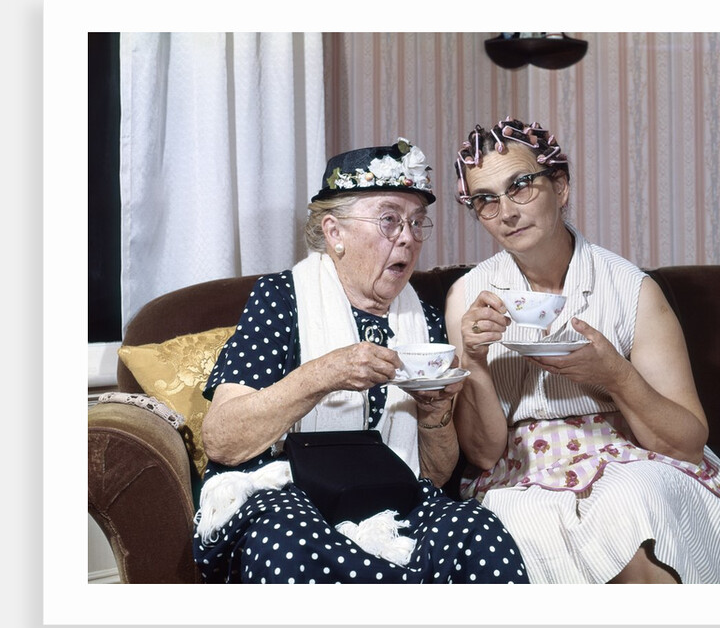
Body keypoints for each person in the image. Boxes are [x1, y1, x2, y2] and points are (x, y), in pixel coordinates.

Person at [191, 138, 528, 584]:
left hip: (393, 501)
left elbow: (434, 475)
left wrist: (434, 412)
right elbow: (222, 440)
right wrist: (324, 374)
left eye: (416, 222)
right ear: (335, 233)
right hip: (290, 494)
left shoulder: (425, 320)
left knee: (477, 531)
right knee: (288, 543)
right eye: (389, 220)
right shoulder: (281, 300)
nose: (407, 237)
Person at [445, 117, 720, 583]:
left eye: (521, 186)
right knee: (523, 520)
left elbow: (687, 443)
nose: (506, 212)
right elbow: (484, 455)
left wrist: (613, 374)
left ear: (560, 186)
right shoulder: (468, 297)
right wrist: (473, 360)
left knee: (630, 500)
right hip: (521, 470)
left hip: (631, 458)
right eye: (486, 200)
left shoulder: (631, 289)